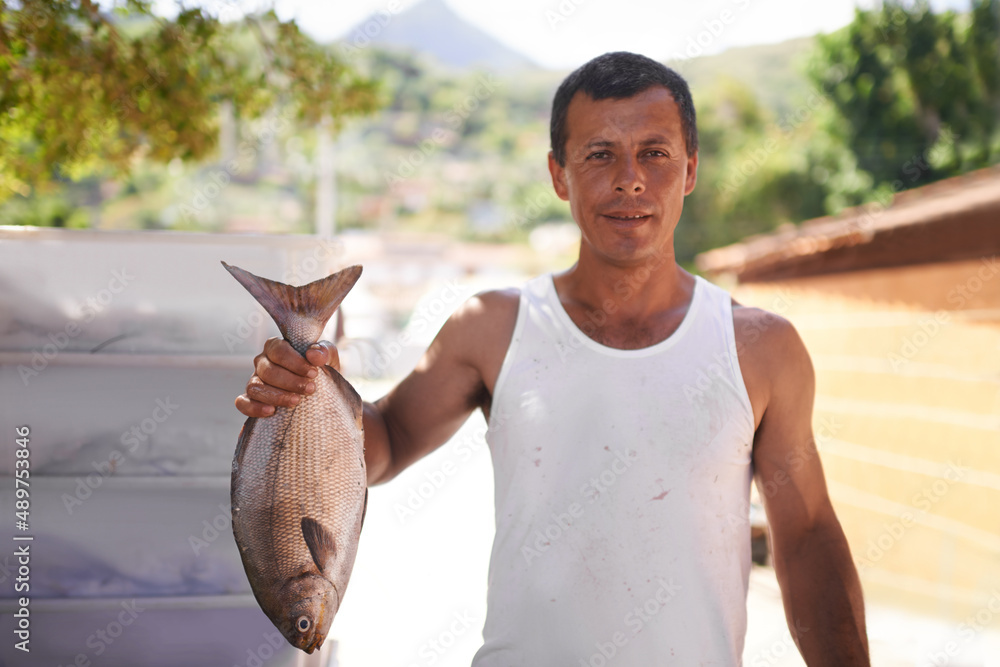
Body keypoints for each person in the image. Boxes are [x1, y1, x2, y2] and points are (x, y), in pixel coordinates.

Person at [236, 51, 870, 666]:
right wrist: (307, 393)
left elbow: (809, 534)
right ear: (559, 174)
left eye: (655, 153)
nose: (630, 178)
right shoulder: (491, 327)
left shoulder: (760, 347)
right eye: (600, 155)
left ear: (691, 169)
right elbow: (386, 445)